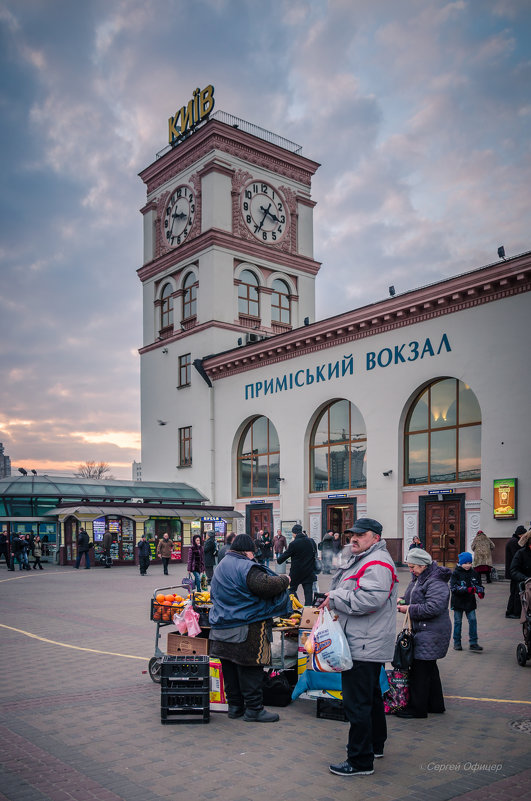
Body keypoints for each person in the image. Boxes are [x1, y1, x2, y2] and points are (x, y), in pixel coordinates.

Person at [320, 518, 398, 777]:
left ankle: (360, 761)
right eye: (351, 534)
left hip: (364, 642)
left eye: (360, 535)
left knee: (357, 703)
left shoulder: (377, 562)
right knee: (371, 696)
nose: (353, 538)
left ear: (375, 537)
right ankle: (375, 745)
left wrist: (335, 598)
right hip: (364, 640)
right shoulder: (363, 558)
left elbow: (370, 600)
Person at [209, 533, 290, 722]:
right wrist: (285, 579)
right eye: (253, 553)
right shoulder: (245, 566)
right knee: (250, 669)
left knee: (229, 670)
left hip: (221, 627)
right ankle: (254, 709)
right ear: (247, 552)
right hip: (244, 628)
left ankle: (235, 707)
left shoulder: (221, 565)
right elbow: (264, 585)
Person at [396, 548, 452, 720]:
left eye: (413, 567)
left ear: (422, 565)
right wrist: (403, 601)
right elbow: (414, 598)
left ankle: (417, 709)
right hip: (424, 630)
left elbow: (434, 607)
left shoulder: (436, 582)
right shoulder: (420, 578)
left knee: (420, 671)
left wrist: (409, 609)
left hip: (432, 632)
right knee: (429, 669)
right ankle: (435, 705)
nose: (410, 570)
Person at [450, 552, 484, 651]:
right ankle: (457, 642)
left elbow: (478, 585)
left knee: (473, 620)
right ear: (460, 563)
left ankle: (473, 642)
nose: (468, 565)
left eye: (470, 563)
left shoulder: (474, 573)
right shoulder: (455, 573)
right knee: (458, 622)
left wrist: (480, 591)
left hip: (470, 602)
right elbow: (453, 588)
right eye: (466, 563)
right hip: (458, 602)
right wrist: (467, 589)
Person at [276, 524, 316, 605]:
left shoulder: (294, 544)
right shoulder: (311, 541)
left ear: (294, 533)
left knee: (291, 590)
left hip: (296, 573)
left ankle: (297, 607)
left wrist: (279, 559)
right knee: (308, 595)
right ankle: (308, 612)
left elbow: (283, 557)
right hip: (309, 572)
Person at [506, 525, 526, 618]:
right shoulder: (514, 542)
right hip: (514, 572)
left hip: (512, 571)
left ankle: (512, 611)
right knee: (515, 593)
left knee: (514, 592)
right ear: (520, 534)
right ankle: (512, 612)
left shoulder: (512, 540)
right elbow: (516, 557)